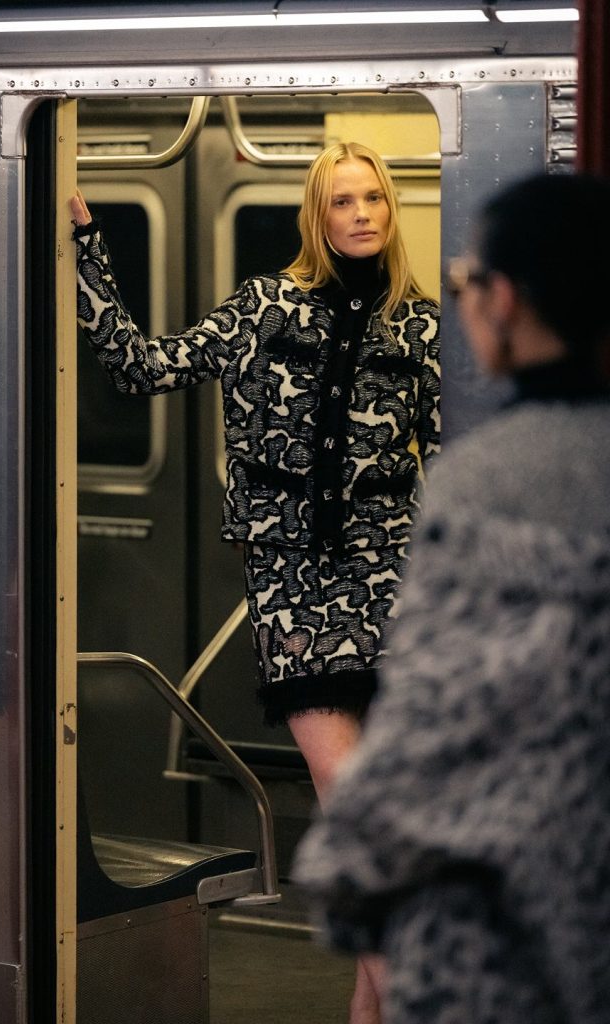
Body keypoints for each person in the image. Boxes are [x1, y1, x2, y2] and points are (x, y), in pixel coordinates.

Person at [71, 140, 440, 1020]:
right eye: (343, 200)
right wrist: (84, 248)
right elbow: (140, 365)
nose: (361, 214)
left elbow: (459, 458)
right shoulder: (265, 307)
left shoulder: (422, 326)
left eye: (374, 198)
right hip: (296, 594)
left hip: (396, 589)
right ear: (318, 214)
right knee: (352, 814)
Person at [293, 171, 610, 1024]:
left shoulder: (488, 481)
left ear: (503, 302)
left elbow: (436, 723)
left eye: (469, 281)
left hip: (517, 929)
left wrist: (349, 883)